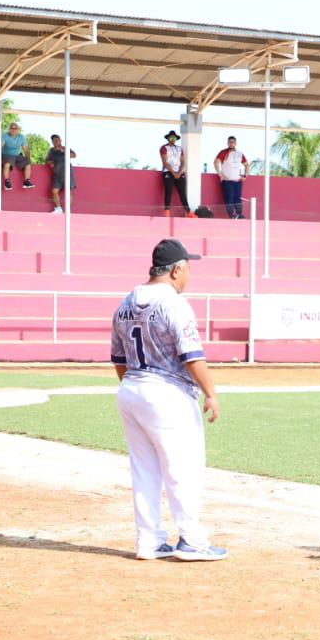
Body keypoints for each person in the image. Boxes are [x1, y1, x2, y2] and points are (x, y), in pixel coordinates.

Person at [112, 239, 224, 562]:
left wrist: (137, 386)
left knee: (144, 468)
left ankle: (148, 540)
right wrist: (211, 392)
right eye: (187, 267)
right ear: (177, 270)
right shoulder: (175, 304)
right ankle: (191, 539)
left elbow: (118, 358)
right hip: (168, 393)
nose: (189, 274)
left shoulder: (124, 304)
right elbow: (192, 356)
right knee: (183, 467)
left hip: (132, 388)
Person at [214, 136, 249, 219]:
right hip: (227, 180)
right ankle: (231, 215)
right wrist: (219, 173)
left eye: (233, 142)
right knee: (228, 198)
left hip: (237, 180)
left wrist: (246, 175)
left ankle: (239, 214)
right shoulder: (223, 152)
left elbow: (247, 165)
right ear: (227, 143)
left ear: (236, 143)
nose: (231, 143)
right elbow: (216, 162)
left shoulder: (240, 154)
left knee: (237, 198)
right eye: (230, 142)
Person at [160, 131, 191, 216]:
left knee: (182, 193)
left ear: (176, 139)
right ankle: (167, 212)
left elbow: (183, 162)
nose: (173, 139)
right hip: (168, 172)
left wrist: (179, 172)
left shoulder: (179, 148)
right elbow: (165, 162)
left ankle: (188, 212)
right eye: (171, 137)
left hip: (179, 172)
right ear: (168, 138)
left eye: (174, 138)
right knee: (168, 192)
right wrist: (173, 173)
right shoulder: (164, 148)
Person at [45, 134, 76, 214]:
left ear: (60, 140)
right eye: (54, 141)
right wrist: (50, 163)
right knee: (54, 191)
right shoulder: (51, 150)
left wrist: (64, 151)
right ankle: (58, 208)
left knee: (68, 191)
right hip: (57, 174)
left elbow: (74, 155)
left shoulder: (65, 148)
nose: (55, 142)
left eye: (57, 140)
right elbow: (47, 159)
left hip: (67, 173)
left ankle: (68, 210)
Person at [1, 122, 34, 190]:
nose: (13, 130)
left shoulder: (21, 137)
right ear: (9, 129)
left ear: (18, 130)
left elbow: (25, 149)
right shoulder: (5, 135)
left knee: (28, 163)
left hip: (17, 156)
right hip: (6, 155)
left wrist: (28, 159)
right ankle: (7, 182)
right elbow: (0, 146)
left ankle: (26, 182)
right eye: (12, 128)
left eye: (15, 128)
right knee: (7, 164)